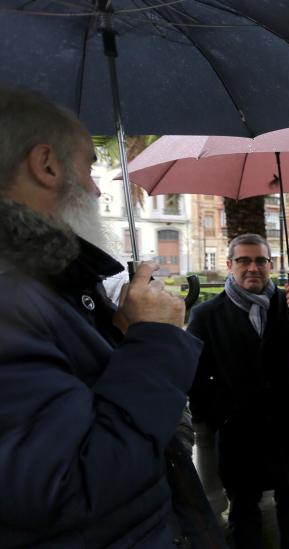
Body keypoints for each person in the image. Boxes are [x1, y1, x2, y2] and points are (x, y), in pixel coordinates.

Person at [0, 87, 225, 547]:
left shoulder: (44, 285)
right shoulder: (9, 296)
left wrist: (120, 339)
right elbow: (75, 488)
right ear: (46, 164)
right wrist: (154, 341)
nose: (96, 187)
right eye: (88, 167)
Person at [187, 233, 289, 549]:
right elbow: (196, 380)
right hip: (240, 440)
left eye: (260, 260)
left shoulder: (288, 304)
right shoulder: (206, 315)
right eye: (244, 260)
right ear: (229, 265)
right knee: (244, 517)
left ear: (271, 264)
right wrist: (221, 415)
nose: (253, 267)